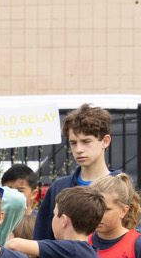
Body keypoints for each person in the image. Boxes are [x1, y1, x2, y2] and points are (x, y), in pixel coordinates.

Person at [33, 104, 116, 242]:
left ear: (105, 141)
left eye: (86, 141)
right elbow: (42, 241)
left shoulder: (120, 187)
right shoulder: (59, 187)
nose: (78, 149)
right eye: (73, 143)